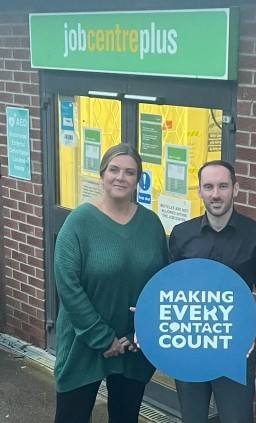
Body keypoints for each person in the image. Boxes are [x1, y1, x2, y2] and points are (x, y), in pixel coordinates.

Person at [53, 143, 169, 423]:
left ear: (138, 180)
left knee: (125, 417)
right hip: (84, 341)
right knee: (72, 417)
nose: (121, 177)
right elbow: (68, 286)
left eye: (130, 172)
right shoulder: (78, 222)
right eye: (114, 170)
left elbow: (162, 283)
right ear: (102, 174)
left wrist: (138, 333)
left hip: (132, 346)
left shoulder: (151, 224)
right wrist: (102, 338)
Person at [168, 159, 256, 423]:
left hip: (234, 349)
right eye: (208, 187)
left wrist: (252, 324)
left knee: (236, 419)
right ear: (199, 191)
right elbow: (170, 290)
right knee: (192, 419)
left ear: (236, 189)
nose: (215, 194)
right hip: (190, 346)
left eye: (222, 186)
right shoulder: (182, 235)